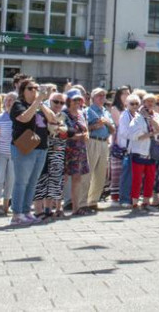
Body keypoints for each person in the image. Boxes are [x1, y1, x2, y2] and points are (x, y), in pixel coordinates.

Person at [9, 79, 57, 226]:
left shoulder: (39, 105)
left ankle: (26, 211)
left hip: (41, 146)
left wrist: (41, 102)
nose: (34, 90)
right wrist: (37, 102)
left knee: (32, 182)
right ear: (23, 91)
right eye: (30, 88)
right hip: (24, 146)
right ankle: (17, 213)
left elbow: (52, 119)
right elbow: (24, 118)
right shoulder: (18, 104)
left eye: (36, 88)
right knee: (21, 181)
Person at [34, 89, 69, 219]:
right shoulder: (41, 113)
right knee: (41, 179)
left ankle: (48, 208)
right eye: (56, 101)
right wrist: (60, 129)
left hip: (58, 151)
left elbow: (69, 131)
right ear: (50, 101)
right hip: (42, 149)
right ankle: (39, 209)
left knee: (54, 180)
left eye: (61, 102)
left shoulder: (64, 116)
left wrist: (62, 130)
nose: (58, 104)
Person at [84, 88, 114, 212]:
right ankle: (83, 201)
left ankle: (93, 201)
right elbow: (85, 128)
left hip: (104, 142)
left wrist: (108, 124)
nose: (102, 97)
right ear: (93, 97)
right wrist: (96, 125)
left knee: (101, 174)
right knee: (88, 172)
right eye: (98, 95)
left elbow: (113, 130)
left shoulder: (106, 112)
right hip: (92, 140)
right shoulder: (88, 111)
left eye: (103, 95)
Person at [63, 88, 91, 216]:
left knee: (77, 178)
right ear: (68, 100)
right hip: (67, 148)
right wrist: (79, 136)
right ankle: (57, 207)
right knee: (63, 178)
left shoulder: (81, 113)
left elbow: (86, 129)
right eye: (74, 100)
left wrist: (86, 135)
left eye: (79, 99)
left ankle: (76, 207)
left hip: (80, 149)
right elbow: (64, 132)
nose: (77, 102)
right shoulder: (64, 113)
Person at [0, 92, 17, 216]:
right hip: (1, 153)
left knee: (11, 180)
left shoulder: (19, 117)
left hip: (15, 155)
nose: (9, 102)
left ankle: (6, 206)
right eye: (7, 99)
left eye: (12, 100)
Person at [110, 86, 132, 205]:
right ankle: (114, 197)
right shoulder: (115, 108)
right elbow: (120, 123)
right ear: (119, 95)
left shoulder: (131, 108)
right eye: (123, 93)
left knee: (127, 170)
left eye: (128, 93)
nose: (126, 95)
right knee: (117, 170)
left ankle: (125, 194)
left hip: (130, 142)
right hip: (119, 141)